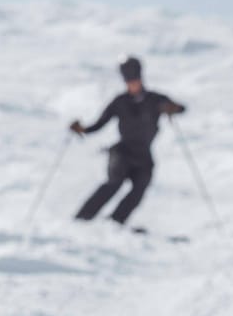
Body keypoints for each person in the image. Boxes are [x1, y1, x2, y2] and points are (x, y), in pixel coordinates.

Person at [70, 56, 187, 225]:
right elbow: (99, 124)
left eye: (135, 80)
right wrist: (82, 129)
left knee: (140, 187)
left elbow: (181, 109)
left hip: (144, 155)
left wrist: (171, 108)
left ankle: (116, 221)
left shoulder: (155, 100)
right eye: (129, 81)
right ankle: (83, 217)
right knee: (114, 183)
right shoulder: (120, 102)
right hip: (122, 152)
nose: (132, 84)